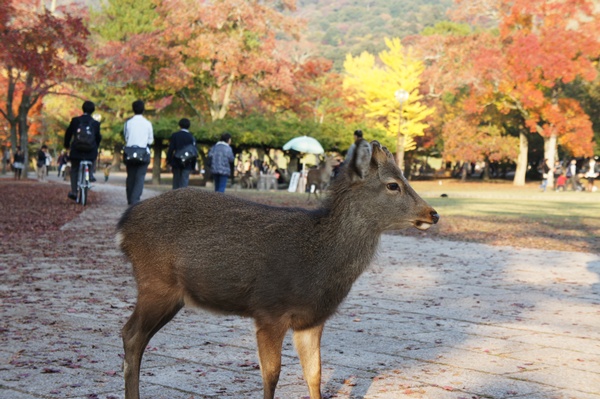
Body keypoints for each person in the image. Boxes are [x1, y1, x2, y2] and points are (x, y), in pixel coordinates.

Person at [64, 100, 102, 200]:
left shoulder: (75, 120)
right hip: (90, 151)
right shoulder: (95, 123)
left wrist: (66, 145)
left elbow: (68, 134)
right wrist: (95, 146)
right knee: (91, 160)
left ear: (83, 108)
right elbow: (98, 138)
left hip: (77, 150)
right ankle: (90, 174)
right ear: (93, 110)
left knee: (75, 169)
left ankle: (74, 191)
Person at [124, 100, 153, 205]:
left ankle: (129, 197)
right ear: (143, 109)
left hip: (130, 152)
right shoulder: (147, 123)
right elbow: (150, 140)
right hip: (143, 153)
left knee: (130, 176)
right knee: (140, 177)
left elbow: (126, 137)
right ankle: (135, 199)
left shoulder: (128, 123)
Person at [166, 118, 197, 190]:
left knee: (176, 181)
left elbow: (171, 149)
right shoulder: (192, 137)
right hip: (188, 162)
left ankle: (174, 198)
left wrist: (169, 160)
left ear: (180, 125)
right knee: (184, 182)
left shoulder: (175, 135)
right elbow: (194, 152)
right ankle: (182, 199)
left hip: (177, 161)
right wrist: (193, 165)